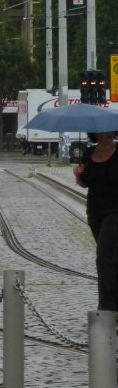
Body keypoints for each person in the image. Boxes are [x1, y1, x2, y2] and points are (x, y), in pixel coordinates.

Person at [73, 130, 118, 311]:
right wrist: (78, 174)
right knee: (113, 258)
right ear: (95, 134)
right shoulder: (89, 153)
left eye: (111, 131)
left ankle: (106, 308)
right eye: (103, 131)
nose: (107, 134)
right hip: (95, 212)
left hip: (115, 211)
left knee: (104, 257)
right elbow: (85, 183)